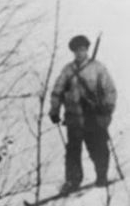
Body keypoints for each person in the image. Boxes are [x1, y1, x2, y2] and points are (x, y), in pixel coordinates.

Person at [49, 34, 117, 194]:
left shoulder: (98, 68)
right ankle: (73, 181)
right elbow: (57, 91)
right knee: (73, 151)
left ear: (87, 50)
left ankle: (102, 176)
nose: (80, 53)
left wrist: (107, 108)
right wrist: (54, 110)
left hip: (93, 117)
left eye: (83, 49)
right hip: (73, 118)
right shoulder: (67, 70)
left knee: (98, 147)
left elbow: (110, 90)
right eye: (77, 50)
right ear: (73, 52)